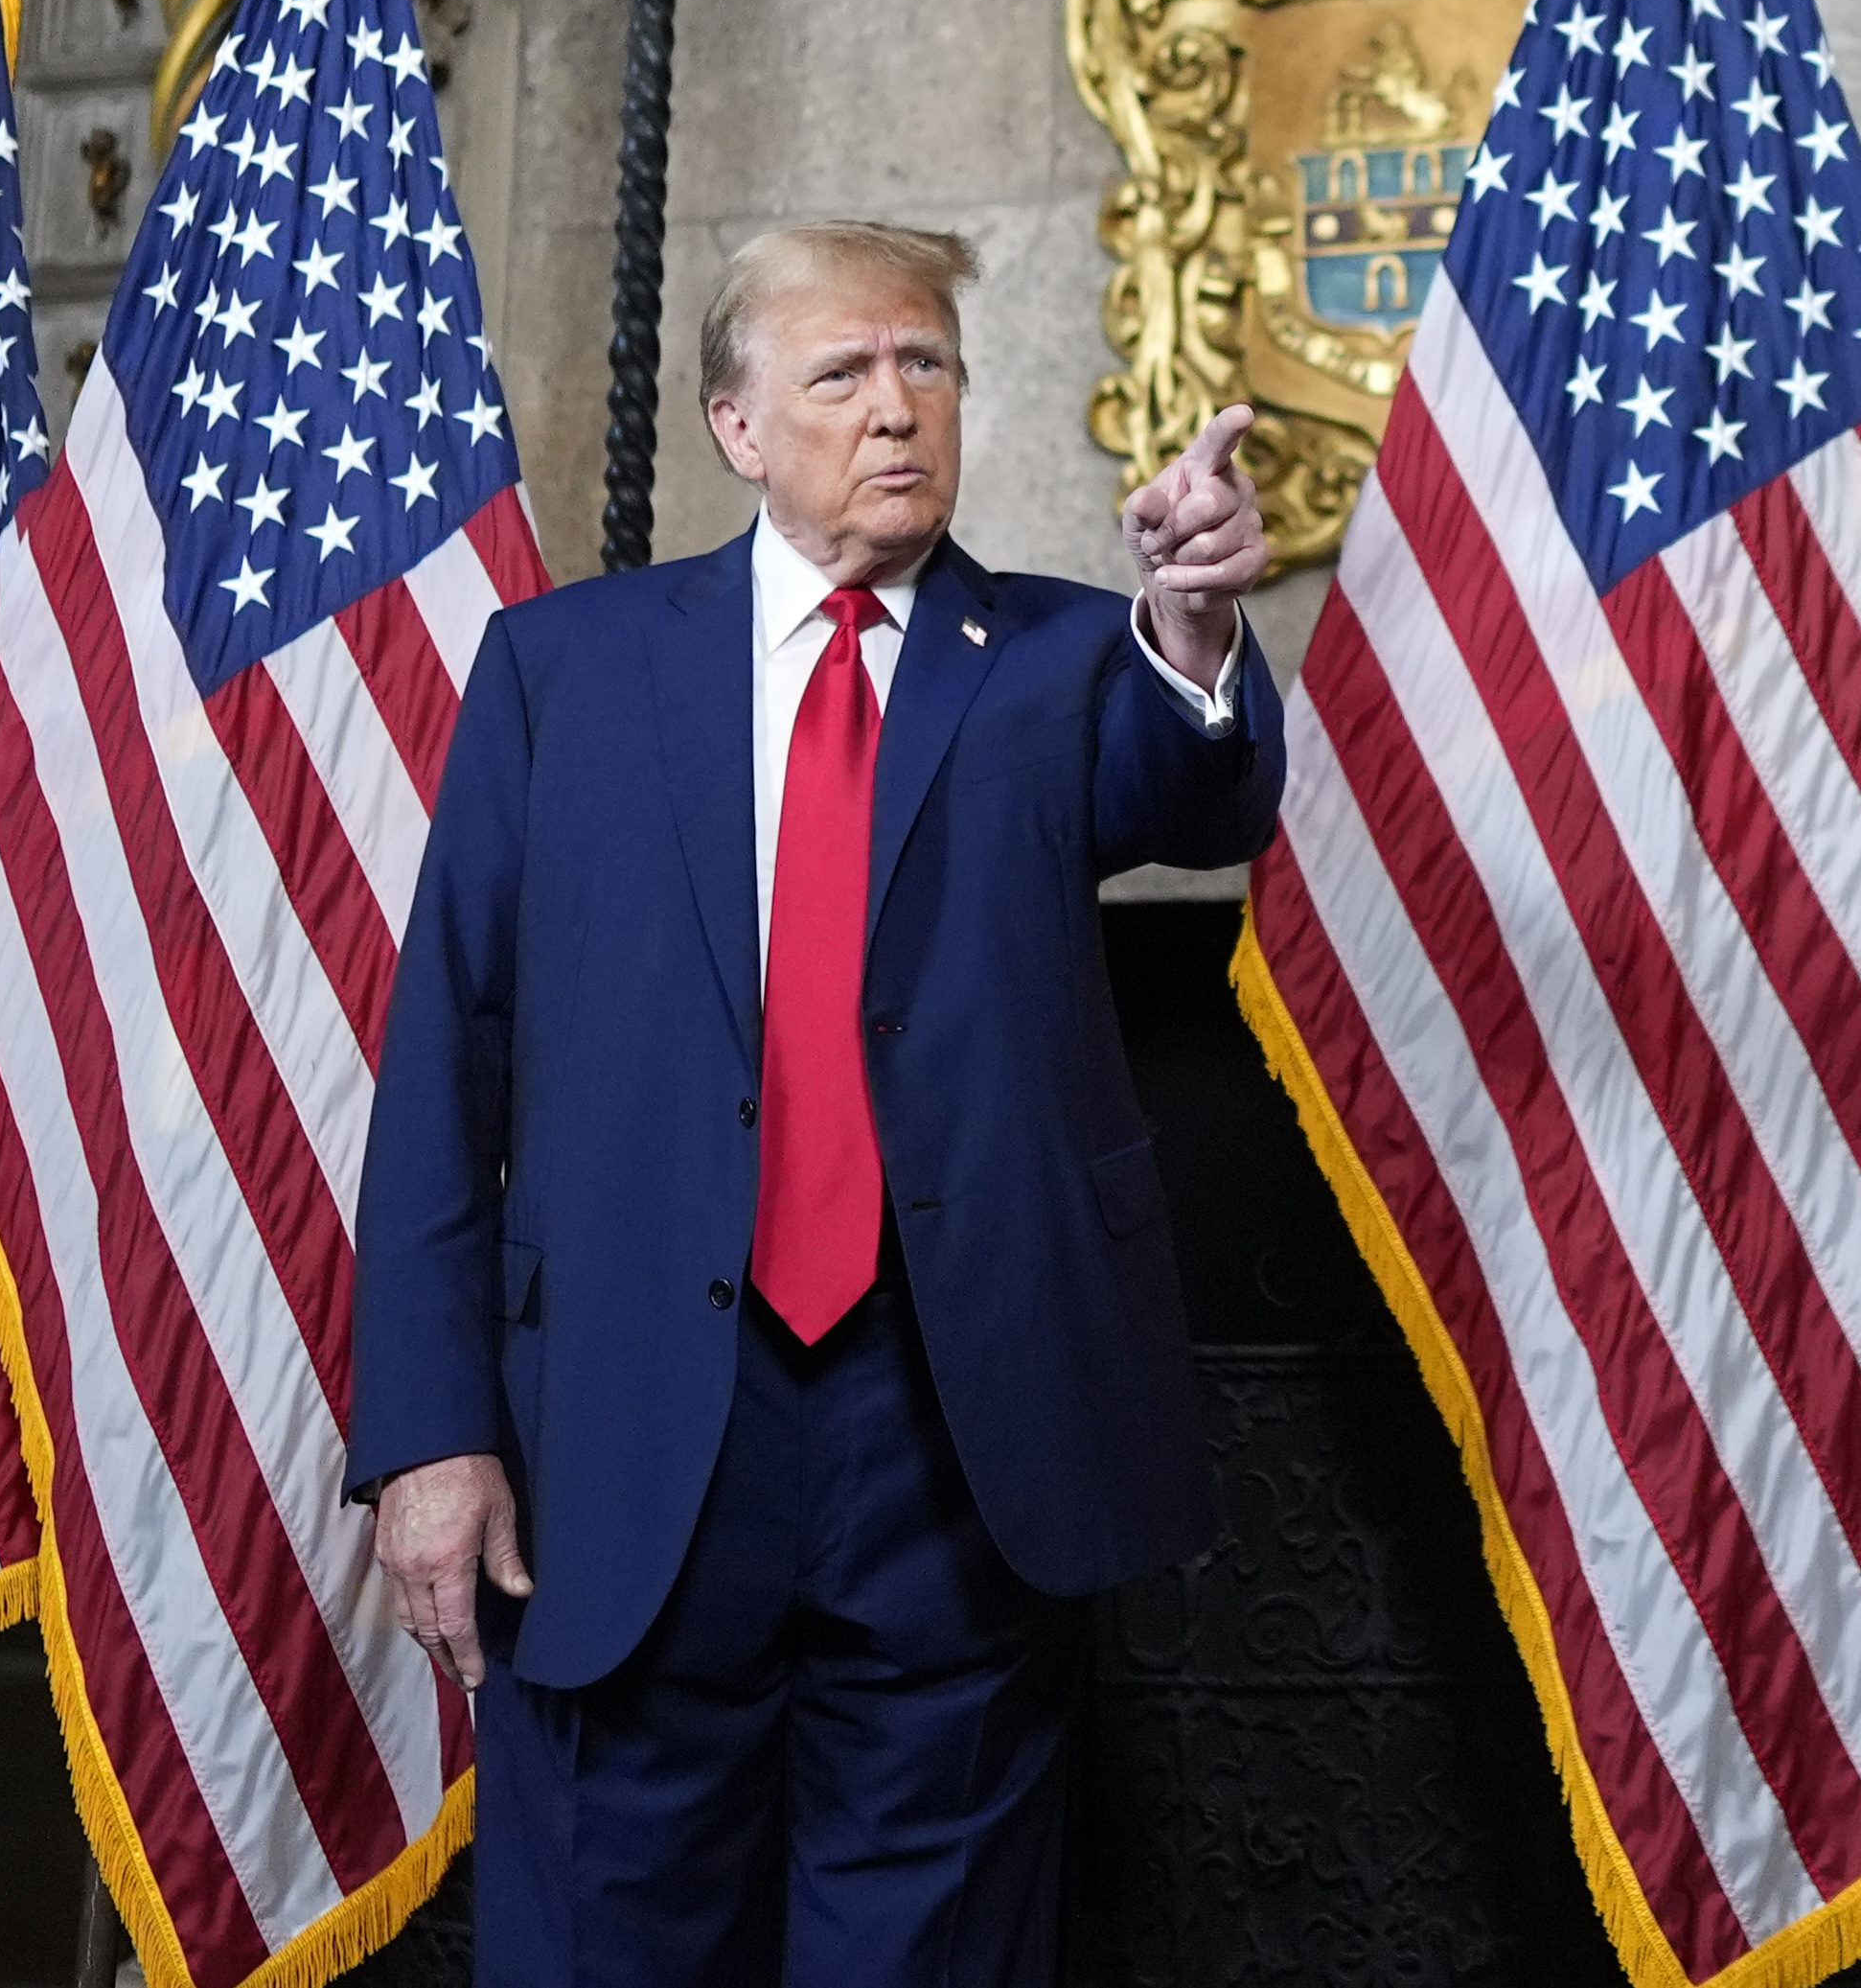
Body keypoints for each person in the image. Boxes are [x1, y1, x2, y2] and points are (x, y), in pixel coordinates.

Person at [345, 219, 1281, 1984]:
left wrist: (1195, 616)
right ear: (736, 426)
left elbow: (1194, 792)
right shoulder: (566, 673)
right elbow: (445, 1056)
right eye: (842, 372)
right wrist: (428, 1429)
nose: (896, 407)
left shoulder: (1069, 658)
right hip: (621, 1444)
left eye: (925, 363)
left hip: (954, 1437)